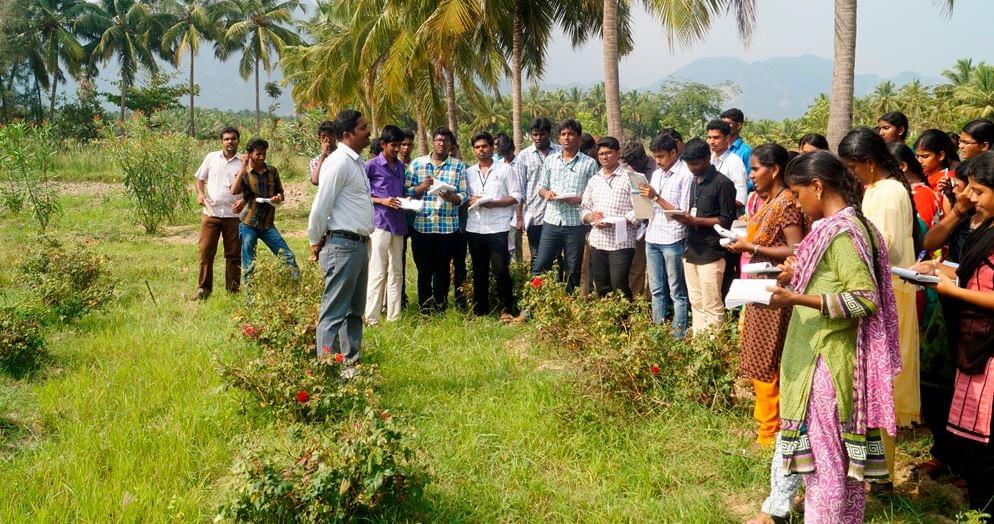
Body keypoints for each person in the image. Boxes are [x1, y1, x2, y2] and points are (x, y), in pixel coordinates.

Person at [764, 150, 902, 523]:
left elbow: (864, 298)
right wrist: (797, 275)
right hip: (834, 360)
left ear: (818, 187)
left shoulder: (842, 233)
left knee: (824, 470)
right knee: (841, 468)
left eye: (796, 193)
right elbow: (835, 279)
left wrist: (798, 298)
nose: (795, 201)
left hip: (826, 362)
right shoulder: (850, 225)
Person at [839, 128, 921, 491]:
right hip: (884, 294)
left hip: (888, 297)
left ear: (870, 164)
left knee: (881, 386)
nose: (852, 173)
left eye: (853, 166)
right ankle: (875, 468)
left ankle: (881, 473)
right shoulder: (879, 189)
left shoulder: (887, 193)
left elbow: (880, 245)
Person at [914, 151, 994, 511]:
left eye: (977, 191)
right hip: (974, 339)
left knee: (985, 444)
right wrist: (949, 275)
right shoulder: (985, 224)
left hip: (988, 347)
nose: (970, 198)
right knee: (973, 441)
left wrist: (954, 290)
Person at [724, 144, 806, 447]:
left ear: (774, 170)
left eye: (756, 169)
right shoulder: (767, 200)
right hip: (759, 287)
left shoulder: (786, 203)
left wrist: (752, 248)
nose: (751, 175)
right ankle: (767, 427)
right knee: (759, 357)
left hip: (776, 290)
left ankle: (771, 433)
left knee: (768, 358)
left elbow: (797, 250)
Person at [308, 109, 373, 368]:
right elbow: (321, 206)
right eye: (363, 127)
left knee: (354, 312)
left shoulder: (355, 162)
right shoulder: (338, 163)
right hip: (342, 245)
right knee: (334, 313)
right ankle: (327, 369)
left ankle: (350, 366)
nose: (368, 131)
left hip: (358, 245)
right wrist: (314, 240)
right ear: (347, 135)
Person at [672, 139, 736, 333]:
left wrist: (696, 221)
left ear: (708, 158)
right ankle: (699, 347)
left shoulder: (723, 183)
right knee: (696, 302)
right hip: (692, 248)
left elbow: (727, 220)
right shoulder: (693, 181)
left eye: (696, 164)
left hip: (712, 251)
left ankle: (713, 349)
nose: (692, 168)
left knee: (712, 303)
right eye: (689, 164)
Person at [531, 119, 598, 293]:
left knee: (572, 269)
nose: (566, 138)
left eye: (570, 134)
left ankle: (568, 308)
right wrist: (546, 193)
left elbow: (594, 195)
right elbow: (541, 186)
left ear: (579, 137)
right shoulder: (551, 160)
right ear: (559, 138)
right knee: (541, 265)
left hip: (575, 224)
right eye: (563, 134)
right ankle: (531, 306)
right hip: (552, 221)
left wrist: (579, 199)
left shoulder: (589, 163)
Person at [406, 127, 467, 314]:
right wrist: (422, 187)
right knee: (424, 270)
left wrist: (452, 197)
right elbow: (407, 190)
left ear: (450, 145)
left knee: (442, 270)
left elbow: (464, 194)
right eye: (438, 140)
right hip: (422, 226)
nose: (441, 143)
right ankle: (425, 307)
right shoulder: (418, 164)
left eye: (446, 141)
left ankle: (440, 307)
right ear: (433, 141)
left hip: (447, 228)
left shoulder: (458, 166)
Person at [639, 132, 693, 338]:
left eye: (661, 156)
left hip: (673, 238)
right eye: (655, 157)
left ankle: (678, 334)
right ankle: (657, 334)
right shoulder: (656, 174)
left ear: (673, 152)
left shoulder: (685, 175)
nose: (658, 161)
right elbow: (650, 204)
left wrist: (656, 197)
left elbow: (682, 212)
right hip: (652, 236)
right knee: (656, 289)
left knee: (676, 291)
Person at [465, 132, 522, 319]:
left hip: (498, 227)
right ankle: (481, 310)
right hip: (475, 227)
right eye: (477, 147)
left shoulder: (504, 169)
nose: (481, 150)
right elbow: (463, 197)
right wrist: (470, 200)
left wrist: (494, 202)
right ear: (474, 150)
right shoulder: (468, 173)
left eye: (485, 146)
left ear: (492, 147)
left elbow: (516, 196)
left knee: (500, 270)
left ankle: (506, 309)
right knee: (479, 270)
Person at [231, 138, 299, 283]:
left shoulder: (272, 171)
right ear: (249, 154)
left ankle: (297, 288)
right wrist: (242, 168)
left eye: (264, 154)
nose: (261, 157)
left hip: (267, 224)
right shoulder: (244, 173)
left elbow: (281, 193)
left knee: (287, 256)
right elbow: (234, 190)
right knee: (249, 263)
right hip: (249, 223)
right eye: (258, 154)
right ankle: (250, 299)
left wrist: (277, 198)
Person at [580, 137, 640, 300]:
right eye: (601, 154)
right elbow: (584, 207)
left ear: (618, 153)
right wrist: (591, 216)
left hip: (621, 241)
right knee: (602, 286)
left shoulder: (633, 177)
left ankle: (624, 323)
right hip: (598, 240)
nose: (604, 157)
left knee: (619, 284)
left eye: (608, 153)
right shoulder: (594, 180)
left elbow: (642, 209)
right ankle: (608, 322)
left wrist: (619, 220)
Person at [363, 125, 408, 325]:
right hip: (380, 223)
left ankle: (394, 316)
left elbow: (402, 193)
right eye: (393, 145)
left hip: (398, 224)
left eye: (399, 145)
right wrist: (382, 201)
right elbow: (361, 195)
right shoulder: (370, 166)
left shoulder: (401, 168)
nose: (397, 149)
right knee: (378, 270)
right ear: (383, 144)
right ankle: (372, 317)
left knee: (396, 271)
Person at [194, 127, 245, 299]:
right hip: (211, 213)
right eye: (227, 139)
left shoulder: (244, 162)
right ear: (221, 141)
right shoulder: (211, 158)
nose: (230, 142)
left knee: (233, 255)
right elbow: (200, 179)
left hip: (234, 216)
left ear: (238, 141)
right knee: (206, 252)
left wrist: (244, 200)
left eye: (233, 139)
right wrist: (200, 194)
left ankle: (233, 291)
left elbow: (253, 187)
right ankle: (203, 290)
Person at [514, 117, 562, 264]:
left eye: (542, 134)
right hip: (534, 214)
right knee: (536, 255)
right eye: (535, 134)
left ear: (549, 134)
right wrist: (519, 217)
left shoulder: (560, 152)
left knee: (556, 256)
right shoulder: (524, 156)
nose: (538, 138)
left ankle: (556, 286)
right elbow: (519, 189)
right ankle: (537, 286)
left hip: (557, 213)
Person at [621, 138, 656, 297]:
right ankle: (636, 300)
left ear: (643, 157)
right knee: (636, 265)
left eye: (634, 164)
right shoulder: (628, 170)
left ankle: (651, 300)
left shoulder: (657, 168)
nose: (632, 167)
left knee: (656, 268)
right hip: (638, 224)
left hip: (656, 223)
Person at [890, 142, 941, 229]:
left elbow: (922, 236)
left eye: (884, 170)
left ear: (902, 166)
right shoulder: (912, 192)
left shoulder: (921, 195)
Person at [495, 133, 526, 264]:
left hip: (516, 213)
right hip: (501, 213)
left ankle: (517, 277)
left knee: (515, 250)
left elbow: (518, 193)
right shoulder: (499, 163)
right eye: (503, 154)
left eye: (508, 153)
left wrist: (519, 218)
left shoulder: (518, 164)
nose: (506, 156)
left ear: (513, 149)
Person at [706, 119, 748, 209]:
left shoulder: (735, 163)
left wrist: (716, 202)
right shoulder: (708, 160)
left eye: (716, 137)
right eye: (709, 137)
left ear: (727, 138)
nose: (711, 142)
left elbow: (741, 200)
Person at [721, 107, 753, 172]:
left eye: (727, 124)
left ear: (739, 126)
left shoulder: (747, 152)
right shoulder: (717, 148)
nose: (723, 127)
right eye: (722, 123)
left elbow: (751, 178)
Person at [310, 120, 339, 186]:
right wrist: (323, 157)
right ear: (320, 139)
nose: (328, 140)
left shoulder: (344, 155)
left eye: (330, 136)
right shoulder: (315, 161)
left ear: (335, 136)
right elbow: (315, 181)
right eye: (324, 137)